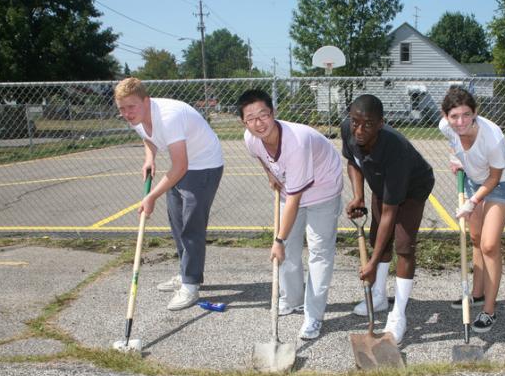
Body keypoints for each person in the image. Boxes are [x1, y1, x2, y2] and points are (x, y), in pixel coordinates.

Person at [237, 89, 343, 340]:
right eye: (250, 118)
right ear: (244, 122)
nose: (258, 123)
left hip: (323, 190)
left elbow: (296, 198)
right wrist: (270, 174)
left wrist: (278, 240)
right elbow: (260, 156)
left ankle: (314, 316)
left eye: (263, 115)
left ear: (273, 113)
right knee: (289, 251)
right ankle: (293, 299)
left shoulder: (296, 141)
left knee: (318, 253)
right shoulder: (251, 138)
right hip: (292, 187)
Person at [114, 77, 224, 311]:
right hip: (184, 165)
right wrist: (149, 158)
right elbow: (148, 137)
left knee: (191, 226)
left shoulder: (168, 117)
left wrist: (151, 196)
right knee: (177, 221)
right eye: (121, 109)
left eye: (131, 107)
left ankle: (190, 285)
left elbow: (180, 166)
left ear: (146, 100)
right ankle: (186, 272)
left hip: (204, 165)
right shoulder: (136, 116)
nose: (127, 113)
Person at [342, 94, 435, 345]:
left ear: (381, 123)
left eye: (368, 124)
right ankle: (379, 296)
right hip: (382, 183)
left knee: (403, 247)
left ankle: (399, 314)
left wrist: (371, 263)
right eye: (355, 122)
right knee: (377, 238)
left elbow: (390, 212)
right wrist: (359, 196)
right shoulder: (348, 128)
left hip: (413, 188)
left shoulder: (395, 150)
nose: (359, 130)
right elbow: (353, 160)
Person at [438, 87, 505, 333]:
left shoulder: (492, 137)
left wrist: (472, 202)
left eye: (466, 115)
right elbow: (455, 143)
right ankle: (477, 293)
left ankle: (490, 310)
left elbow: (494, 178)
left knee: (489, 245)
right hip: (474, 180)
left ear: (475, 113)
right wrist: (458, 160)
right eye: (454, 116)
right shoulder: (445, 127)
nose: (460, 122)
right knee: (475, 239)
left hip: (500, 184)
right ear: (445, 116)